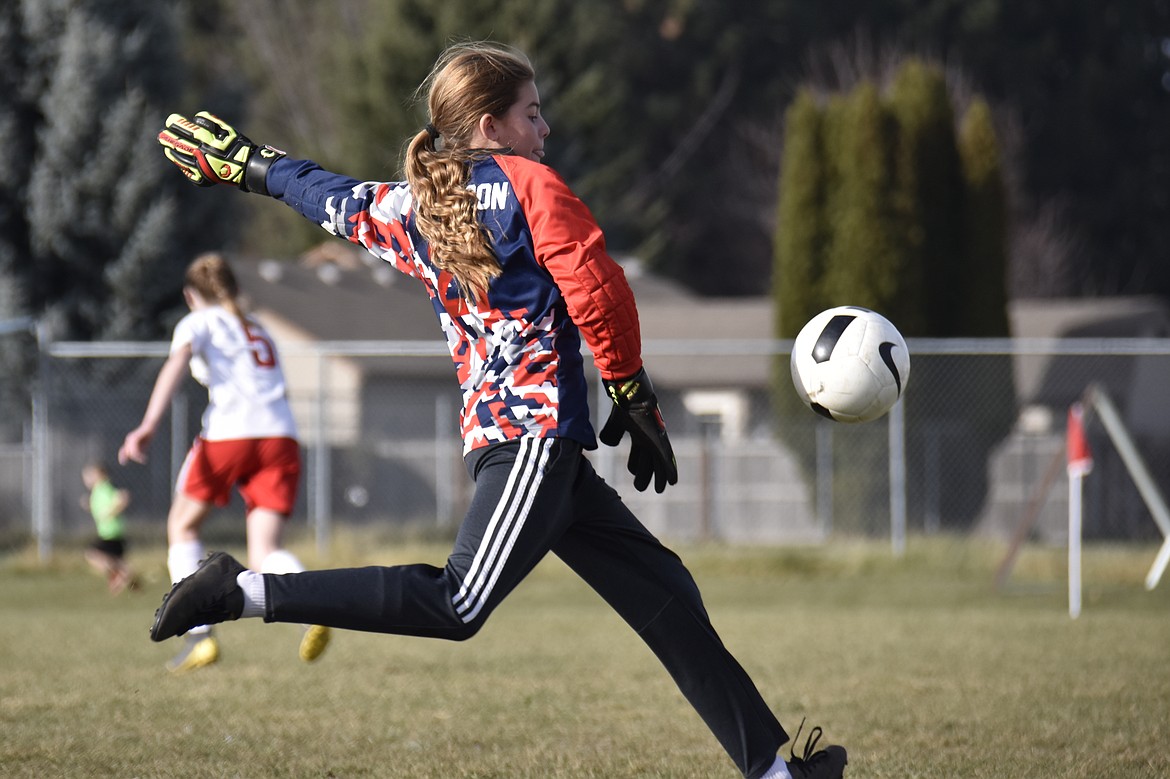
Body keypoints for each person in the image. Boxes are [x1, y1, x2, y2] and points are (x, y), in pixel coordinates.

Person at [149, 42, 847, 778]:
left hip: (524, 444)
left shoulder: (417, 204)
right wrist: (631, 390)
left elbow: (329, 196)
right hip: (532, 438)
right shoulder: (530, 185)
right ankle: (241, 590)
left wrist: (252, 164)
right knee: (459, 601)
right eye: (532, 113)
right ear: (490, 125)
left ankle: (775, 769)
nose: (544, 130)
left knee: (665, 591)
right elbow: (596, 283)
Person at [118, 252, 331, 673]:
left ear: (190, 295)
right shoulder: (259, 328)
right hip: (281, 437)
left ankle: (200, 638)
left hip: (230, 435)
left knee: (181, 526)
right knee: (266, 548)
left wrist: (147, 425)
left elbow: (177, 363)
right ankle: (312, 610)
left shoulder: (198, 321)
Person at [81, 461, 138, 594]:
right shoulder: (98, 491)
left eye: (89, 475)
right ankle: (127, 579)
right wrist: (90, 506)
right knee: (113, 566)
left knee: (92, 555)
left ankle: (124, 572)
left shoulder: (104, 488)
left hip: (111, 532)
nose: (86, 480)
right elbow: (102, 507)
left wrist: (110, 512)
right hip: (110, 532)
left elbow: (122, 498)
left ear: (100, 475)